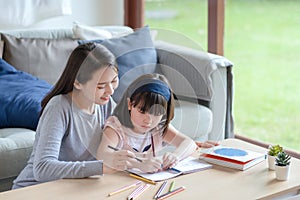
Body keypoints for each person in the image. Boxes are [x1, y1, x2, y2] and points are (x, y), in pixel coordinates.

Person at [12, 42, 122, 189]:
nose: (110, 90)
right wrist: (101, 167)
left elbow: (128, 134)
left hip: (73, 187)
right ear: (77, 83)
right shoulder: (59, 107)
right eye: (101, 86)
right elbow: (43, 169)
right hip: (36, 189)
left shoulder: (106, 103)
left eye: (114, 81)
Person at [97, 73, 202, 173]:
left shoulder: (159, 127)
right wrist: (138, 164)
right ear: (130, 104)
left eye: (157, 113)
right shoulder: (116, 128)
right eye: (142, 111)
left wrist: (176, 156)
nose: (148, 120)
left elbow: (189, 143)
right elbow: (102, 154)